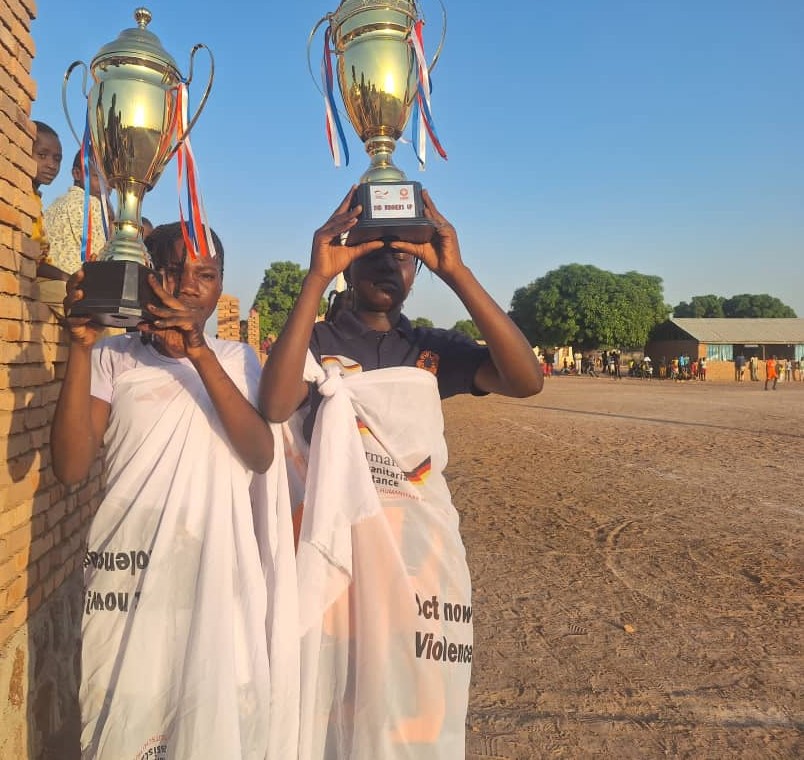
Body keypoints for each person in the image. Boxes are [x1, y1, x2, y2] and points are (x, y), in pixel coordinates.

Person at [260, 188, 543, 759]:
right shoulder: (314, 341)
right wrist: (313, 282)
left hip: (417, 559)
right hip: (335, 555)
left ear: (418, 271)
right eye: (373, 252)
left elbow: (526, 378)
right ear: (346, 257)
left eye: (405, 257)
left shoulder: (429, 349)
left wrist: (457, 273)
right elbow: (273, 404)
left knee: (409, 702)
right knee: (333, 698)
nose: (390, 265)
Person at [50, 223, 298, 759]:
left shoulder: (239, 360)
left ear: (220, 284)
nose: (188, 285)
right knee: (129, 711)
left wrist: (198, 353)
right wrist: (78, 347)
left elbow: (259, 456)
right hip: (130, 573)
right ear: (143, 276)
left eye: (205, 275)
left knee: (214, 714)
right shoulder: (113, 359)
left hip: (218, 574)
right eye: (171, 270)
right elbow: (71, 467)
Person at [43, 149, 107, 282]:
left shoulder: (53, 205)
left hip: (43, 285)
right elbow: (101, 259)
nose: (106, 186)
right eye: (98, 177)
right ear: (77, 174)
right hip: (74, 292)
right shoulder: (91, 203)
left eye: (109, 180)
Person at [30, 120, 63, 279]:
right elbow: (31, 259)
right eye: (42, 155)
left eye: (57, 159)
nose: (52, 165)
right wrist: (67, 279)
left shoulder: (35, 199)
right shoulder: (22, 198)